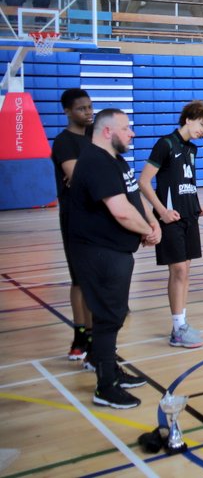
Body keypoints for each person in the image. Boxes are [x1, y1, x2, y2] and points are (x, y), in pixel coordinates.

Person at [67, 108, 160, 409]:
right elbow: (120, 212)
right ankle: (105, 386)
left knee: (112, 315)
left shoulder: (114, 160)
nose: (132, 133)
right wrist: (148, 231)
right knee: (109, 317)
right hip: (99, 253)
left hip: (114, 252)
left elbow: (132, 196)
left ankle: (105, 364)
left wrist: (151, 220)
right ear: (107, 131)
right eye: (126, 128)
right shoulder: (96, 162)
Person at [138, 101, 203, 348]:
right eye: (202, 125)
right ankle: (177, 330)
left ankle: (181, 323)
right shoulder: (165, 144)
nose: (202, 131)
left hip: (189, 216)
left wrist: (195, 204)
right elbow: (144, 182)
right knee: (179, 271)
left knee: (185, 271)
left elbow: (187, 181)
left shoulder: (191, 149)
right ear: (188, 118)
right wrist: (161, 212)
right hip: (170, 218)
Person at [50, 88, 94, 360]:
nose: (88, 112)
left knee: (95, 279)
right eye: (81, 108)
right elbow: (77, 177)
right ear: (67, 111)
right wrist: (88, 174)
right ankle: (81, 335)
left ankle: (95, 334)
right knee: (79, 279)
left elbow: (107, 171)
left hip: (98, 216)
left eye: (90, 107)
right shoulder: (64, 142)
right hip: (75, 217)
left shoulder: (94, 137)